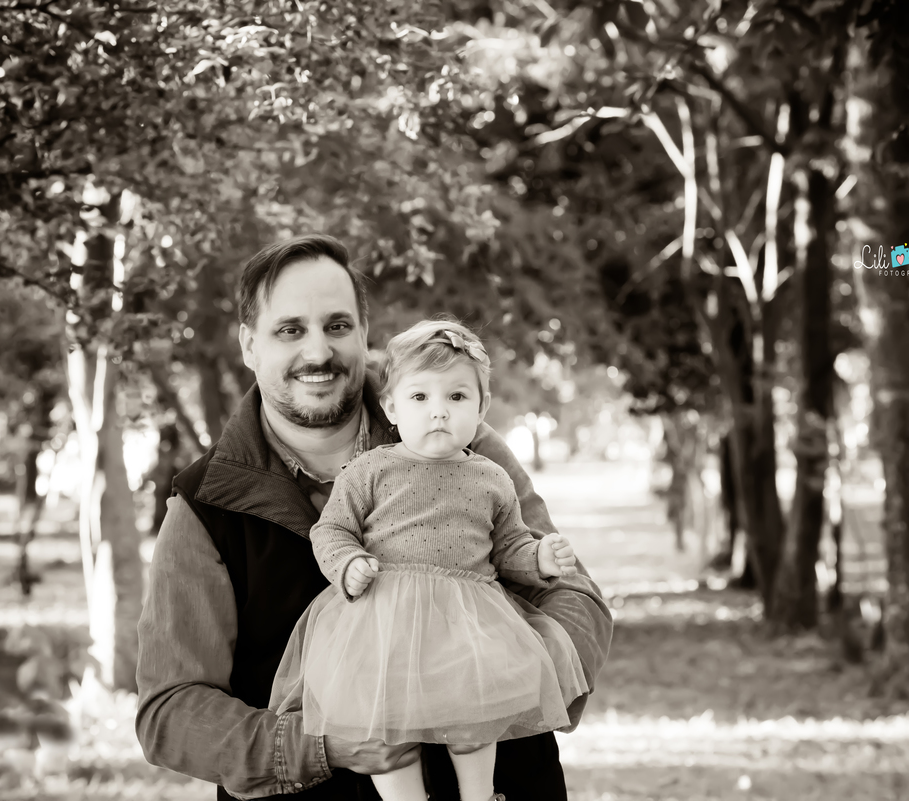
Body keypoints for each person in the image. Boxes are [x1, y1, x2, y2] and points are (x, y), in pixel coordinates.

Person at [135, 234, 612, 801]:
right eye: (290, 330)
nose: (317, 352)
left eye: (337, 326)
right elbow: (170, 710)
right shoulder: (204, 503)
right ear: (248, 345)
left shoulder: (465, 445)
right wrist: (322, 746)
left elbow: (574, 594)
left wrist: (516, 683)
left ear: (364, 333)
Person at [270, 320, 589, 801]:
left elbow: (508, 547)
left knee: (474, 720)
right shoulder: (369, 470)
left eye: (457, 398)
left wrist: (539, 558)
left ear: (481, 408)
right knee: (384, 729)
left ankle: (478, 796)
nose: (438, 412)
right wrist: (347, 563)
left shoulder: (491, 477)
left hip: (468, 623)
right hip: (384, 624)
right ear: (392, 407)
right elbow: (331, 529)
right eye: (420, 398)